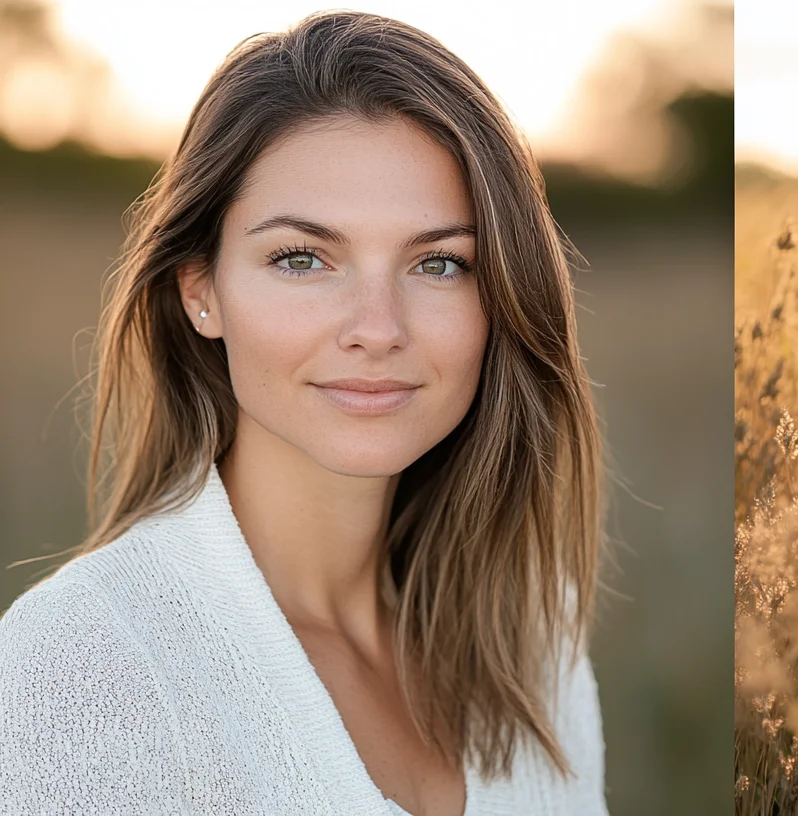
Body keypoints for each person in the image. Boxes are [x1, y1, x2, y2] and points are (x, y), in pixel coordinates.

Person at [0, 12, 607, 815]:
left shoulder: (534, 641)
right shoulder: (78, 668)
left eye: (438, 263)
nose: (378, 329)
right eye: (302, 258)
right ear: (201, 291)